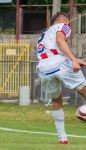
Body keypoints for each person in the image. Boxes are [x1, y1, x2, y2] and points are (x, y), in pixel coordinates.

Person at [36, 12, 86, 144]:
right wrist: (73, 61)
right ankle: (84, 112)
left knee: (56, 101)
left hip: (44, 68)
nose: (68, 24)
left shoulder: (43, 34)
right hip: (60, 63)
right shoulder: (62, 26)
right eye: (67, 21)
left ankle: (62, 138)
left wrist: (76, 59)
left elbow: (53, 48)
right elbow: (60, 40)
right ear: (61, 20)